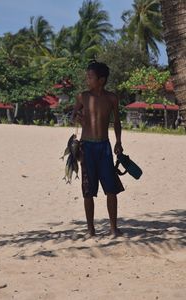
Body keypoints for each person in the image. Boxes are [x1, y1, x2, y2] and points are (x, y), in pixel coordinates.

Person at [71, 61, 124, 238]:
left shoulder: (112, 98)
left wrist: (118, 142)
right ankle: (90, 229)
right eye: (87, 76)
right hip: (87, 147)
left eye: (90, 76)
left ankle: (113, 228)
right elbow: (73, 115)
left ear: (101, 80)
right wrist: (77, 118)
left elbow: (117, 122)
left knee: (111, 189)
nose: (87, 79)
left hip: (104, 146)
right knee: (88, 190)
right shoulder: (82, 96)